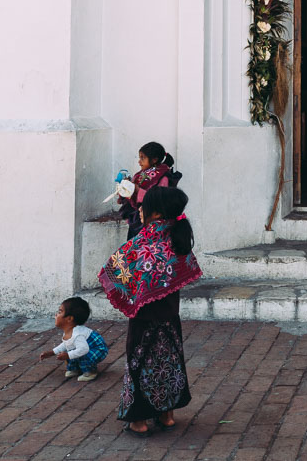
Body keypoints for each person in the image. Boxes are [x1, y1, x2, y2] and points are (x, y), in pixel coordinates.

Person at [99, 185, 202, 437]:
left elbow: (112, 269)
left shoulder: (143, 241)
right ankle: (167, 416)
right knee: (169, 362)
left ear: (155, 212)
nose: (140, 210)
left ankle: (139, 421)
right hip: (169, 317)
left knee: (140, 363)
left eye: (143, 206)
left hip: (143, 319)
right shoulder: (176, 238)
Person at [117, 142, 179, 240]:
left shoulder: (163, 177)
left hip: (151, 222)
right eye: (139, 158)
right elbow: (132, 191)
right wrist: (125, 190)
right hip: (137, 219)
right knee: (134, 247)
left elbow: (159, 199)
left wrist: (138, 190)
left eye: (142, 158)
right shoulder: (142, 174)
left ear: (154, 159)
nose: (139, 161)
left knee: (146, 247)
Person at [39, 296, 109, 381]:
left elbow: (84, 349)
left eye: (60, 312)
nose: (56, 315)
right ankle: (74, 368)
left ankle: (90, 371)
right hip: (85, 347)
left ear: (69, 319)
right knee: (70, 350)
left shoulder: (77, 335)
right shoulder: (69, 331)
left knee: (78, 354)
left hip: (98, 349)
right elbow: (66, 344)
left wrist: (68, 355)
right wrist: (52, 352)